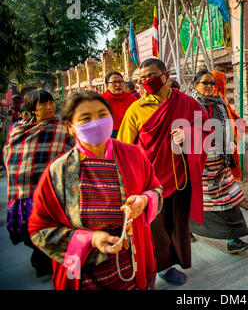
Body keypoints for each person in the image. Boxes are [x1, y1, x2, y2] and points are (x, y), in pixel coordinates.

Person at [28, 90, 162, 290]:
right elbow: (40, 229)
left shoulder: (133, 154)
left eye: (102, 115)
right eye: (86, 118)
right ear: (70, 127)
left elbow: (156, 190)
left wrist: (145, 200)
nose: (97, 122)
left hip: (131, 265)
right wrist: (90, 239)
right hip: (84, 275)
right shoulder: (58, 171)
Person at [117, 58, 209, 286]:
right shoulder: (135, 110)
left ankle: (171, 264)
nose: (147, 81)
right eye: (142, 78)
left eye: (151, 75)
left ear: (166, 75)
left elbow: (207, 129)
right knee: (153, 230)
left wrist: (188, 135)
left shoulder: (186, 103)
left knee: (177, 226)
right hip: (147, 183)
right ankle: (159, 268)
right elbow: (124, 148)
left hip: (179, 179)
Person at [3, 89, 73, 277]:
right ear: (33, 107)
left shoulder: (62, 126)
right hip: (26, 192)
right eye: (43, 104)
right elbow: (12, 157)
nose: (49, 107)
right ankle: (41, 255)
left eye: (51, 103)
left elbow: (72, 150)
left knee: (54, 227)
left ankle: (46, 260)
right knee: (30, 229)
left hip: (54, 189)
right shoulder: (18, 129)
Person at [189, 70, 248, 254]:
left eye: (212, 83)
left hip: (221, 160)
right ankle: (188, 229)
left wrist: (230, 152)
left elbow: (227, 130)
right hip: (198, 162)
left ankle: (233, 239)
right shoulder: (189, 105)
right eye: (204, 83)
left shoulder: (219, 103)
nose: (209, 86)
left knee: (228, 199)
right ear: (195, 85)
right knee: (197, 200)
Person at [101, 71, 138, 138]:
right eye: (114, 82)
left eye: (120, 81)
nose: (118, 85)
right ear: (107, 85)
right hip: (110, 133)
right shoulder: (101, 100)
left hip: (131, 132)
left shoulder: (131, 98)